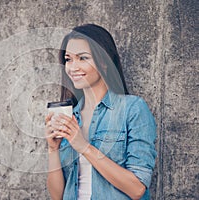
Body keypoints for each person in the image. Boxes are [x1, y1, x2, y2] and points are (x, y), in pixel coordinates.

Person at [45, 24, 157, 200]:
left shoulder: (132, 109)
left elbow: (137, 189)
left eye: (82, 58)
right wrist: (53, 149)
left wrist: (84, 146)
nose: (73, 67)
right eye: (68, 59)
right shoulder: (70, 116)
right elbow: (57, 196)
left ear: (104, 61)